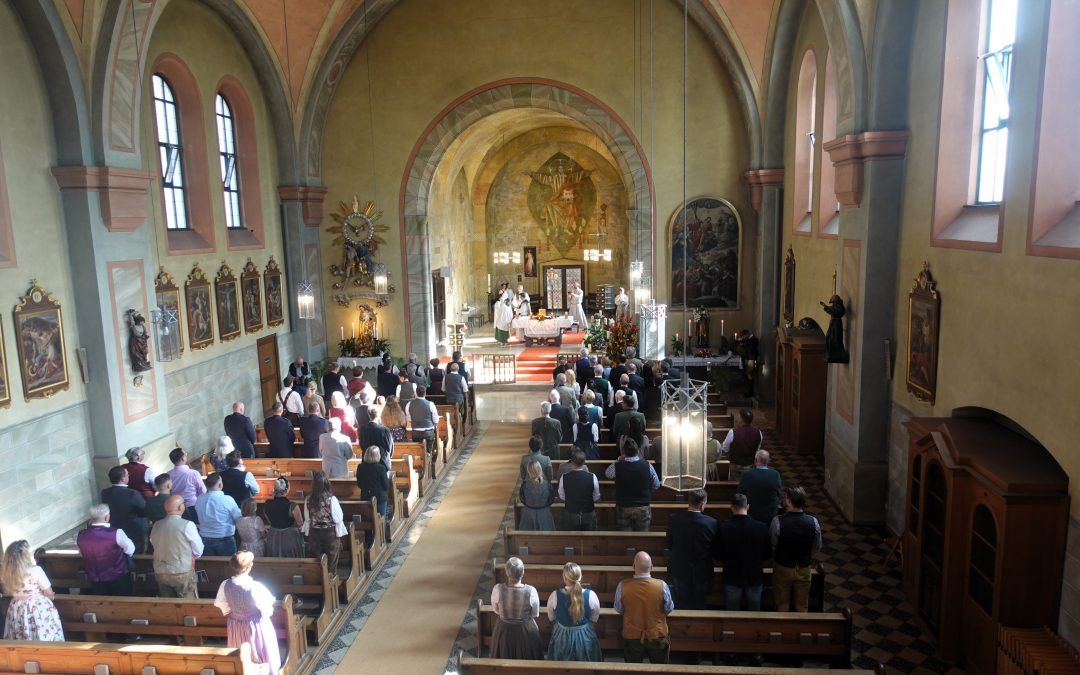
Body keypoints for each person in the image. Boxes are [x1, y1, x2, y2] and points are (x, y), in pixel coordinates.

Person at [214, 551, 281, 675]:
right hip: (255, 625)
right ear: (250, 567)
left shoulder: (225, 584)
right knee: (259, 651)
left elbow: (221, 604)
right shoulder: (255, 586)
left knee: (239, 652)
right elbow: (267, 609)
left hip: (235, 625)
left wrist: (236, 613)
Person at [713, 492, 771, 613]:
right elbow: (767, 553)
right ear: (747, 507)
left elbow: (717, 554)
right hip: (754, 576)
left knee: (732, 612)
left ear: (732, 507)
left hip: (732, 576)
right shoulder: (761, 527)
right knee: (755, 613)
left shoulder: (724, 527)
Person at [614, 551, 673, 664]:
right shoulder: (662, 585)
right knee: (660, 670)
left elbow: (619, 609)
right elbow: (668, 609)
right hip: (657, 634)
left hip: (632, 634)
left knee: (632, 670)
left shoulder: (623, 585)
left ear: (633, 566)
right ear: (652, 567)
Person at [771, 486, 822, 612]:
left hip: (783, 565)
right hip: (804, 567)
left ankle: (783, 629)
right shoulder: (813, 522)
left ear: (788, 501)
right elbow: (817, 547)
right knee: (802, 603)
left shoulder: (777, 521)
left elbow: (773, 545)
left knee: (782, 602)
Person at [0, 540, 64, 641]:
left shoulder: (5, 572)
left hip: (16, 608)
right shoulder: (35, 570)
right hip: (36, 608)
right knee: (43, 636)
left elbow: (7, 591)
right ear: (24, 556)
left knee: (20, 637)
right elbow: (48, 593)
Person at [665, 489, 718, 610]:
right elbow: (714, 549)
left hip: (680, 569)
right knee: (700, 603)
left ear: (689, 502)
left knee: (681, 603)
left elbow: (669, 544)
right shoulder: (711, 522)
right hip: (702, 571)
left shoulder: (674, 519)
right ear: (702, 504)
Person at [545, 562, 602, 661]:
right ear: (580, 577)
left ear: (564, 577)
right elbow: (594, 617)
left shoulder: (555, 595)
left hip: (562, 635)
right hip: (585, 635)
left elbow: (551, 617)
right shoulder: (591, 595)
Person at [489, 557, 544, 659]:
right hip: (525, 630)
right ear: (522, 572)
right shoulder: (531, 591)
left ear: (507, 572)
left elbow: (496, 610)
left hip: (503, 629)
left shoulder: (498, 589)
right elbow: (535, 613)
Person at [76, 503, 135, 597]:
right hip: (118, 577)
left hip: (95, 578)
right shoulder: (116, 533)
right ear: (106, 517)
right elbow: (130, 549)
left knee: (102, 604)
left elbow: (82, 553)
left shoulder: (81, 535)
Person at [150, 495, 204, 598]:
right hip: (182, 571)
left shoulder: (156, 524)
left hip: (161, 570)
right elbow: (198, 549)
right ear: (180, 507)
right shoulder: (188, 524)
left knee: (167, 604)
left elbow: (154, 543)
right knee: (188, 604)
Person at [605, 438, 660, 531]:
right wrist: (647, 491)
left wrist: (618, 459)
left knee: (625, 539)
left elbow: (608, 474)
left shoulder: (618, 466)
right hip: (642, 506)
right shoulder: (647, 465)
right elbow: (656, 485)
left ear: (623, 453)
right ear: (638, 451)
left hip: (623, 506)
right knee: (643, 538)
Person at [302, 471, 347, 572]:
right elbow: (338, 518)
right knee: (331, 561)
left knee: (318, 561)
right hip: (330, 534)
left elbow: (307, 518)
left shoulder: (308, 499)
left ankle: (320, 582)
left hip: (315, 533)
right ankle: (331, 581)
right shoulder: (331, 499)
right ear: (326, 483)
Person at [101, 464, 148, 554]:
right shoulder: (132, 493)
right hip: (133, 528)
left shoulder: (105, 493)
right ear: (123, 479)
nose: (128, 476)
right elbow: (144, 510)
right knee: (135, 550)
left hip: (115, 527)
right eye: (127, 475)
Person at [195, 472, 242, 557]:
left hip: (205, 538)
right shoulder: (227, 499)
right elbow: (238, 518)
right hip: (224, 538)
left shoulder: (200, 499)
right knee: (229, 566)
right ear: (220, 485)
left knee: (211, 567)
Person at [355, 446, 389, 547]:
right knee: (381, 518)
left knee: (367, 519)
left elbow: (359, 484)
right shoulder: (381, 468)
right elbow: (386, 485)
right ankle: (380, 540)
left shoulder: (360, 467)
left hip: (365, 498)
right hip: (380, 498)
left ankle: (369, 541)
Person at [557, 449, 600, 531]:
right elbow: (596, 496)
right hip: (588, 511)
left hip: (571, 512)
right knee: (589, 538)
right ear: (584, 462)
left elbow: (562, 496)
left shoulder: (564, 477)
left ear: (572, 462)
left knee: (571, 540)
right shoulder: (592, 476)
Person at [739, 449, 783, 526]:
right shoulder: (776, 474)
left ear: (755, 460)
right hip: (770, 515)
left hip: (752, 514)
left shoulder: (747, 474)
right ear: (768, 461)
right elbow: (779, 494)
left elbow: (740, 493)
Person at [263, 478, 304, 558]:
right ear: (287, 490)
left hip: (273, 536)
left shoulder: (267, 504)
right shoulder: (292, 505)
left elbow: (269, 521)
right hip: (290, 537)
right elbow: (300, 523)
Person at [720, 409, 763, 482]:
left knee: (735, 486)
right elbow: (757, 449)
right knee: (748, 485)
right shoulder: (758, 432)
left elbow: (725, 448)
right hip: (750, 465)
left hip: (736, 465)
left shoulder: (733, 432)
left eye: (739, 417)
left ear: (741, 419)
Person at [167, 446, 205, 522]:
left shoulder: (168, 474)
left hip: (177, 507)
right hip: (193, 505)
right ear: (183, 458)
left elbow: (169, 491)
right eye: (185, 454)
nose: (186, 455)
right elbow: (203, 491)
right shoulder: (193, 473)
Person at [518, 460, 555, 530]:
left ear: (529, 471)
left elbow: (522, 500)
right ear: (540, 469)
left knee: (527, 537)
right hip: (544, 513)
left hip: (528, 514)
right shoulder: (548, 484)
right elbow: (551, 500)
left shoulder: (525, 485)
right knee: (546, 537)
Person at [406, 386, 439, 458]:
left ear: (416, 394)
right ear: (425, 394)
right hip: (428, 432)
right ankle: (429, 454)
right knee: (428, 448)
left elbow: (409, 418)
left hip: (416, 432)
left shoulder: (409, 404)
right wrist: (433, 426)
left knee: (418, 452)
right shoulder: (430, 404)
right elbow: (436, 419)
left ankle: (420, 460)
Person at [358, 406, 394, 470]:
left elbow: (362, 446)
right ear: (379, 415)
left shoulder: (362, 429)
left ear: (368, 414)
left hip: (366, 462)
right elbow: (389, 449)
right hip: (382, 462)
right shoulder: (385, 430)